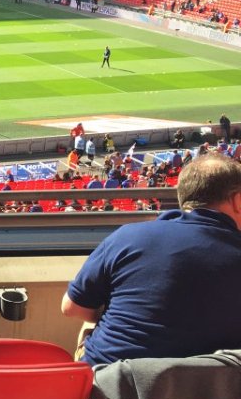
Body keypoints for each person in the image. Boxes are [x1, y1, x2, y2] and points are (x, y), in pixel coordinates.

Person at [62, 154, 241, 366]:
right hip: (210, 395)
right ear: (238, 200)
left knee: (90, 321)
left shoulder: (128, 236)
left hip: (109, 389)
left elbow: (72, 308)